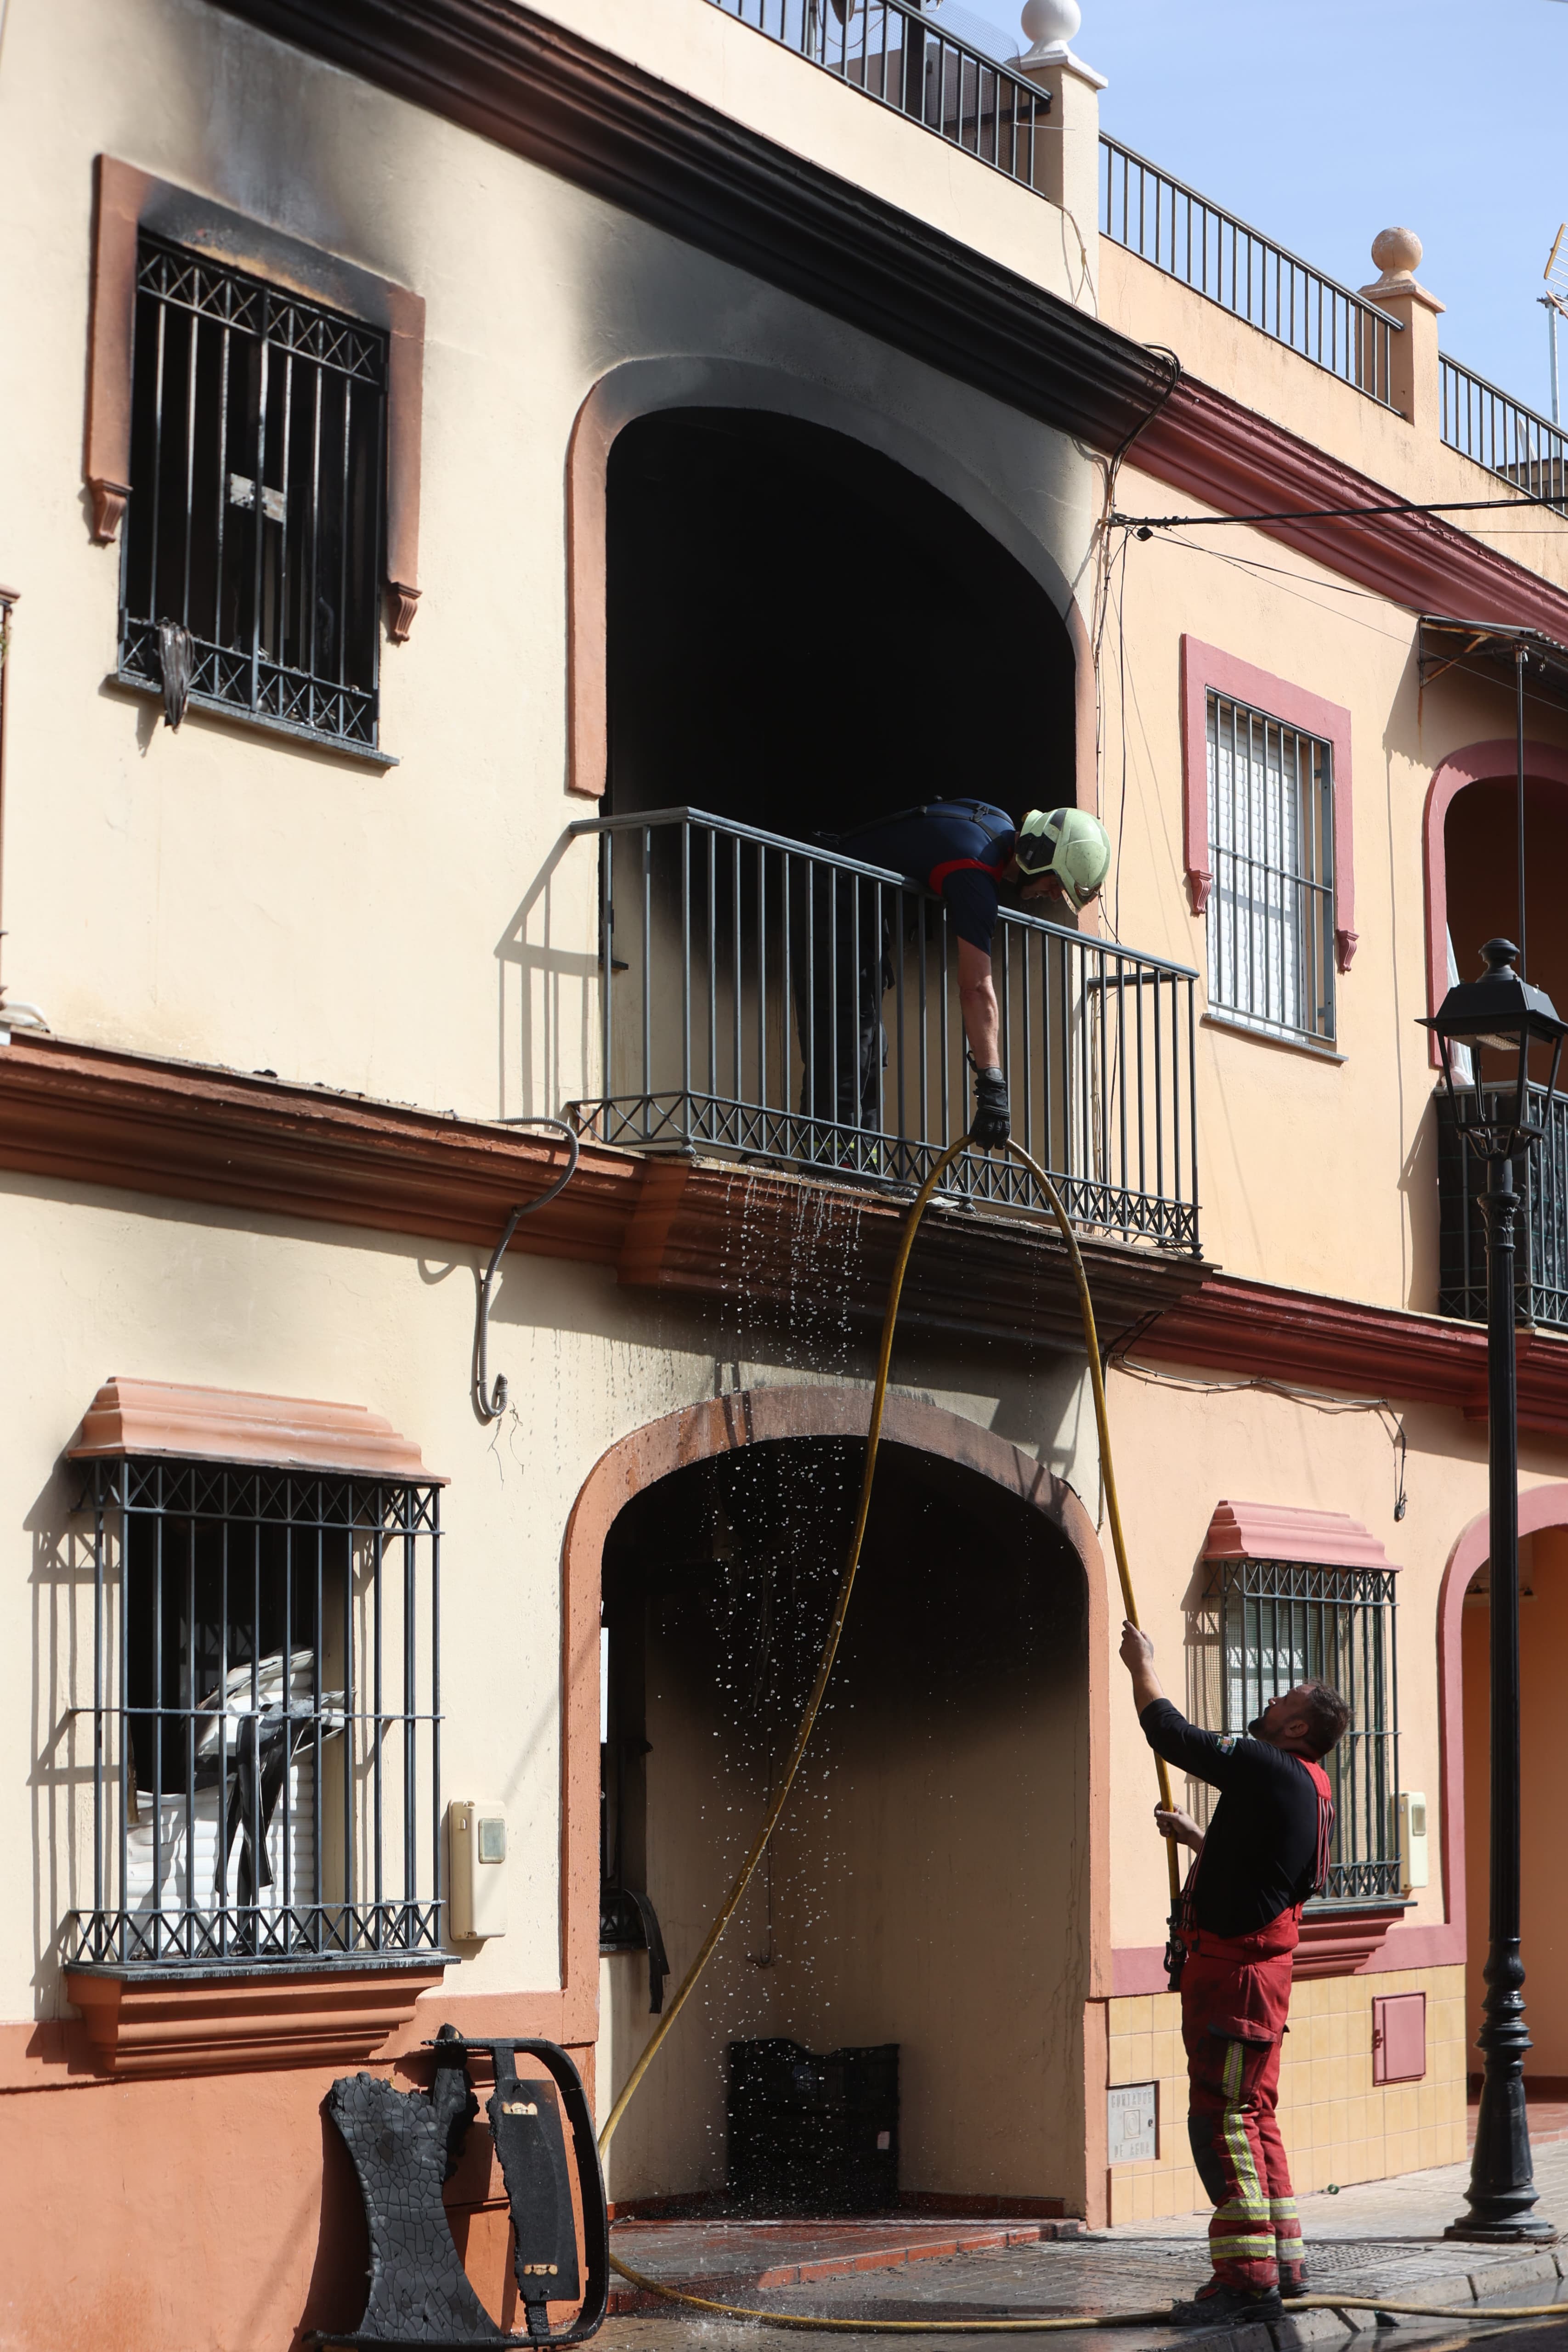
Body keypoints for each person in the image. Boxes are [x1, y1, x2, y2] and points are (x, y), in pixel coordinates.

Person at [1117, 1619, 1350, 2329]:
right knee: (1254, 2116)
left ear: (1298, 1724)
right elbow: (1268, 1873)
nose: (1271, 1702)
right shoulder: (1312, 1788)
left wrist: (1140, 1665)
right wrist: (1200, 1838)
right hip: (1259, 1978)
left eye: (1284, 1698)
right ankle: (1283, 2261)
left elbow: (1171, 1735)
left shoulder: (1268, 1765)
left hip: (1235, 1981)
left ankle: (1247, 2280)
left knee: (1223, 2119)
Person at [788, 801, 1111, 1149]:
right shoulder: (974, 869)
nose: (1051, 894)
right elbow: (975, 988)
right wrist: (993, 1087)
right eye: (1055, 882)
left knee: (868, 1042)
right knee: (847, 1038)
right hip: (829, 895)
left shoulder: (995, 826)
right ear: (1039, 857)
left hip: (852, 903)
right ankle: (830, 1161)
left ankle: (859, 1159)